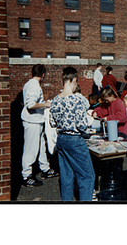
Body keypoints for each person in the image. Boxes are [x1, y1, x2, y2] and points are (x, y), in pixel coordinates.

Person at [49, 66, 95, 201]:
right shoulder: (77, 100)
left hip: (61, 139)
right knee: (87, 177)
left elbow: (52, 123)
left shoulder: (55, 100)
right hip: (75, 140)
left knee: (67, 177)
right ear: (74, 80)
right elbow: (81, 125)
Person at [21, 64, 58, 187]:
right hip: (32, 121)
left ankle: (45, 168)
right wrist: (46, 105)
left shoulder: (30, 84)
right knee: (30, 150)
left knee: (41, 147)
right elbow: (30, 105)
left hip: (36, 121)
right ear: (43, 75)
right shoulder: (34, 86)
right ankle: (26, 175)